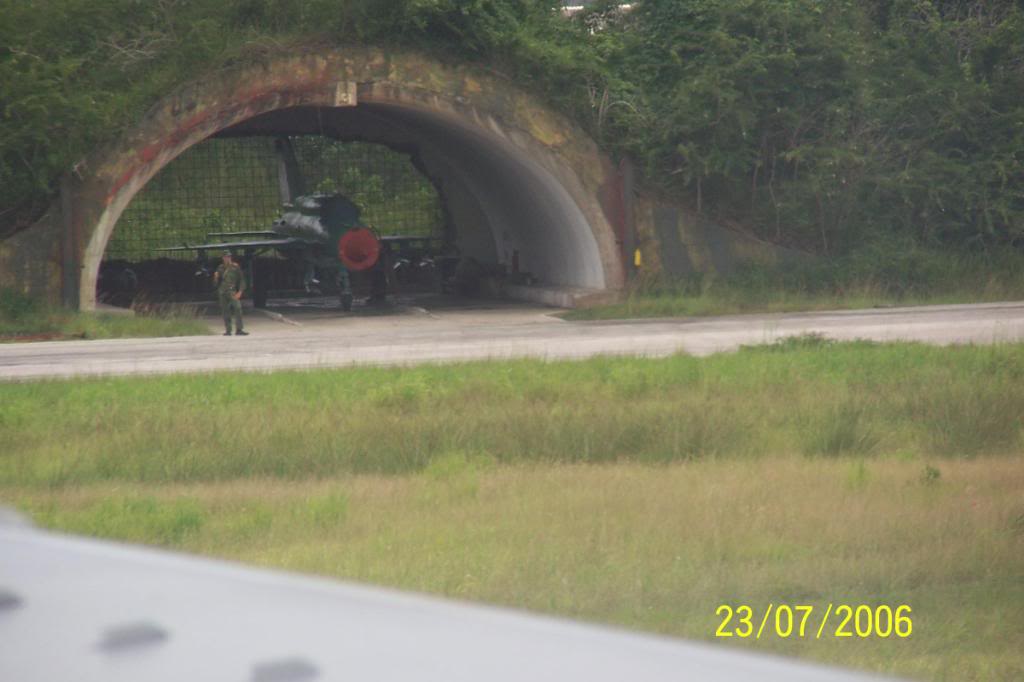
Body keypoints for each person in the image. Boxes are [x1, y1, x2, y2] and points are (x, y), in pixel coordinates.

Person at [213, 251, 248, 336]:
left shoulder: (235, 267)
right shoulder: (220, 268)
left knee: (238, 308)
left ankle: (239, 329)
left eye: (228, 257)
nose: (227, 258)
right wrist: (215, 278)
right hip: (222, 292)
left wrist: (240, 291)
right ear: (223, 258)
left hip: (232, 291)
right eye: (225, 257)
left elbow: (241, 280)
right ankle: (228, 330)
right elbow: (215, 284)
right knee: (225, 311)